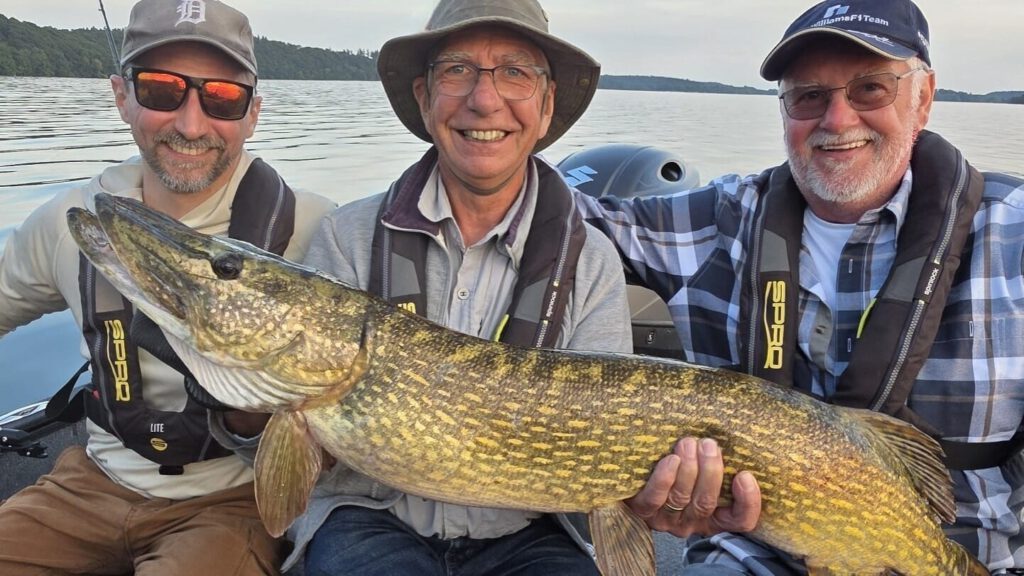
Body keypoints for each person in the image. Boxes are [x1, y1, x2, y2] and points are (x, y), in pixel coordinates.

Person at [234, 0, 755, 574]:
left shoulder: (591, 262)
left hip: (527, 529)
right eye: (457, 70)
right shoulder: (348, 235)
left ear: (547, 102)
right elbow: (289, 451)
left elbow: (612, 471)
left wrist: (665, 493)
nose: (484, 99)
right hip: (372, 513)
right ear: (425, 95)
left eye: (515, 72)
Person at [574, 0, 1024, 572]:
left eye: (870, 89)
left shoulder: (1014, 231)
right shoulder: (722, 221)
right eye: (809, 96)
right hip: (752, 549)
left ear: (924, 97)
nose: (837, 121)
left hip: (963, 551)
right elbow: (542, 213)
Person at [0, 0, 335, 573]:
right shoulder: (71, 221)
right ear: (121, 95)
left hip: (229, 501)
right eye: (160, 90)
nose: (190, 123)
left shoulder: (319, 232)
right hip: (90, 481)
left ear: (252, 112)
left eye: (222, 96)